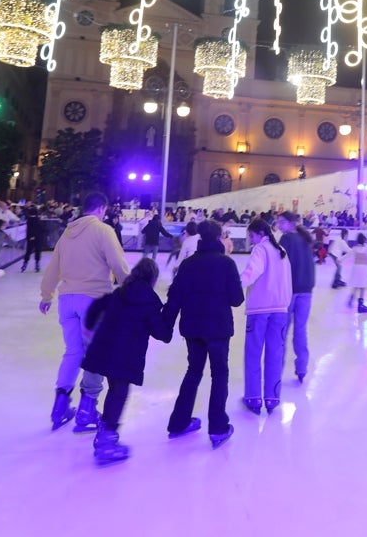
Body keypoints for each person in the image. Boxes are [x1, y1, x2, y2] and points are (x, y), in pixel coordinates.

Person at [39, 191, 130, 433]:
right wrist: (129, 287)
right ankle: (87, 410)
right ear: (101, 209)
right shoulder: (103, 231)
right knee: (96, 354)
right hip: (93, 299)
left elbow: (53, 268)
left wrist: (46, 294)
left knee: (73, 352)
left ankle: (60, 407)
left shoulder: (67, 234)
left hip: (66, 299)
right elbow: (118, 264)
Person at [79, 258, 173, 464]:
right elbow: (163, 334)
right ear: (152, 279)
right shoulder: (149, 302)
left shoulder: (119, 293)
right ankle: (106, 442)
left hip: (104, 350)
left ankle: (104, 432)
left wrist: (88, 326)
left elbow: (96, 306)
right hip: (126, 356)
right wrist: (170, 314)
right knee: (119, 392)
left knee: (114, 390)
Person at [162, 220, 243, 449]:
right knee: (219, 374)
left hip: (193, 328)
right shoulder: (226, 264)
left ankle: (179, 422)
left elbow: (174, 297)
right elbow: (237, 299)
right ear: (218, 238)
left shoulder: (188, 265)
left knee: (193, 371)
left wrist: (164, 325)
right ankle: (218, 427)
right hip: (218, 328)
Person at [240, 218, 292, 415]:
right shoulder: (281, 252)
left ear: (259, 234)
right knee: (275, 354)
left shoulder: (260, 250)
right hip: (279, 310)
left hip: (259, 310)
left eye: (252, 236)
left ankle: (253, 398)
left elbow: (252, 272)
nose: (251, 240)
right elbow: (288, 281)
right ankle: (272, 398)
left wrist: (235, 284)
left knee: (253, 354)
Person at [277, 211, 315, 383]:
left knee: (282, 332)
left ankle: (276, 368)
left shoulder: (286, 240)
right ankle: (302, 367)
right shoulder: (305, 239)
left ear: (291, 223)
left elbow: (280, 266)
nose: (279, 225)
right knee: (300, 330)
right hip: (306, 291)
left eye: (282, 222)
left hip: (289, 291)